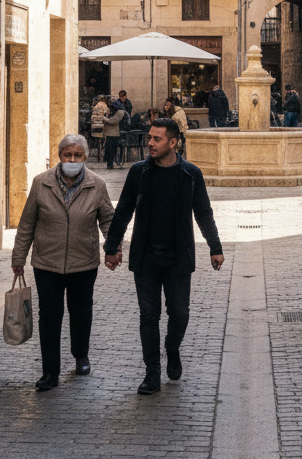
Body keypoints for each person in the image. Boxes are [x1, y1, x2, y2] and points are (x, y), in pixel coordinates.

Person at [104, 118, 224, 395]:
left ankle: (172, 348)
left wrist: (215, 247)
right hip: (145, 256)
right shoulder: (139, 173)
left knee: (180, 313)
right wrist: (112, 247)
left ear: (173, 142)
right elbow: (123, 210)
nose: (150, 143)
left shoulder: (191, 174)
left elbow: (203, 213)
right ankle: (152, 373)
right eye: (150, 137)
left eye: (157, 139)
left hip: (178, 256)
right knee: (149, 315)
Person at [12, 134, 114, 391]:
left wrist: (113, 249)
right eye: (67, 155)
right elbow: (27, 223)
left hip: (84, 262)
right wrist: (18, 257)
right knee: (49, 315)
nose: (72, 159)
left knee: (81, 312)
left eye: (77, 155)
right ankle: (50, 372)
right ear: (59, 156)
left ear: (85, 157)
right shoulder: (41, 183)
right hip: (47, 262)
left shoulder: (97, 184)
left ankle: (81, 355)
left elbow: (108, 221)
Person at [105, 97, 127, 169]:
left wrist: (104, 118)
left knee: (111, 146)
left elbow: (113, 121)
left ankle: (111, 162)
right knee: (110, 145)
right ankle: (110, 162)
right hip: (115, 133)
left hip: (119, 133)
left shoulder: (120, 112)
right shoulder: (118, 111)